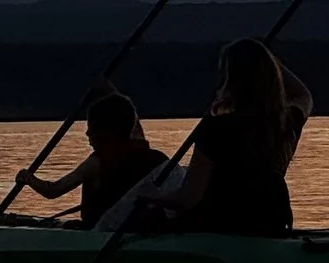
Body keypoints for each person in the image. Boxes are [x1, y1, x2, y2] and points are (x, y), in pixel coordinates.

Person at [154, 38, 308, 236]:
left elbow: (189, 198)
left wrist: (155, 197)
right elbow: (303, 95)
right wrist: (272, 64)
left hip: (222, 227)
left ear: (230, 80)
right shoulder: (285, 123)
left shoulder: (215, 128)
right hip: (270, 223)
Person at [17, 88, 168, 227]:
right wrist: (108, 88)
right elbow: (132, 119)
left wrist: (27, 178)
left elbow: (53, 191)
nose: (87, 133)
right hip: (135, 227)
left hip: (99, 230)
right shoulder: (152, 156)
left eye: (92, 128)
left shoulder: (96, 163)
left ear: (107, 132)